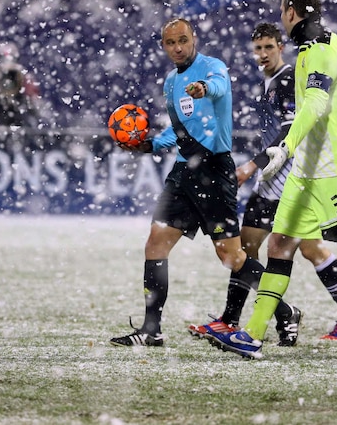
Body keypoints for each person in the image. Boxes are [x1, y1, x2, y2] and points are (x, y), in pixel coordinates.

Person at [207, 0, 337, 360]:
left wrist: (285, 147)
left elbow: (313, 103)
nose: (282, 17)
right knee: (279, 245)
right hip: (307, 173)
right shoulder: (316, 49)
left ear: (292, 13)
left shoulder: (321, 51)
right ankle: (251, 335)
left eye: (283, 11)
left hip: (334, 170)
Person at [109, 18, 301, 347]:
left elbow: (218, 87)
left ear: (193, 38)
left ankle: (285, 312)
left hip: (214, 171)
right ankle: (151, 330)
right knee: (155, 244)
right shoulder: (171, 83)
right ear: (163, 46)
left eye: (183, 40)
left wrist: (204, 89)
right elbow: (179, 130)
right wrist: (150, 145)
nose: (178, 48)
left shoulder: (213, 68)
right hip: (184, 172)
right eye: (171, 43)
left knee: (231, 256)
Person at [189, 22, 337, 341]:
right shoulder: (268, 81)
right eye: (258, 48)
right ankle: (238, 319)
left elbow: (290, 128)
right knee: (248, 244)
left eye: (269, 47)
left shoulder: (286, 79)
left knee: (307, 248)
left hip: (287, 175)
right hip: (273, 178)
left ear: (281, 47)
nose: (263, 54)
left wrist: (251, 166)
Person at [0, 42, 43, 127]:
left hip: (22, 125)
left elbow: (38, 109)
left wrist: (26, 93)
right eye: (1, 60)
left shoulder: (25, 79)